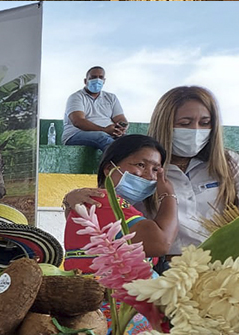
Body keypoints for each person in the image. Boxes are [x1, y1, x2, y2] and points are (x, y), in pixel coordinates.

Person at [63, 86, 238, 257]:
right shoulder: (147, 167)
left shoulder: (228, 163)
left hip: (220, 267)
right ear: (165, 123)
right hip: (160, 267)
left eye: (205, 123)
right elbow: (106, 213)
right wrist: (71, 199)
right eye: (185, 123)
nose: (195, 130)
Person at [63, 134, 178, 272]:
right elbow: (162, 243)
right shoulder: (102, 199)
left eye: (155, 169)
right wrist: (168, 195)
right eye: (140, 165)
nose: (149, 176)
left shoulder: (125, 208)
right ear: (108, 168)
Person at [62, 66, 127, 151]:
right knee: (103, 138)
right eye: (93, 77)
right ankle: (112, 164)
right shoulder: (76, 97)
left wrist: (120, 128)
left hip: (108, 134)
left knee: (130, 141)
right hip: (75, 135)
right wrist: (105, 130)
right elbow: (78, 121)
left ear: (104, 81)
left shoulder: (111, 97)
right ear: (86, 81)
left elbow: (120, 119)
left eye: (101, 77)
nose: (97, 80)